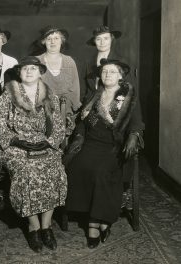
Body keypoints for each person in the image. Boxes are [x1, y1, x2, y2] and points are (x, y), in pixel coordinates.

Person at [65, 59, 144, 249]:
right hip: (91, 144)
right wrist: (78, 138)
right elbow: (82, 123)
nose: (107, 74)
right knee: (78, 166)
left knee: (101, 172)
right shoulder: (93, 96)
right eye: (104, 72)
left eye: (112, 72)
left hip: (114, 146)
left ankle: (99, 220)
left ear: (120, 76)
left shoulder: (129, 97)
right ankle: (94, 219)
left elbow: (136, 122)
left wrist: (134, 136)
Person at [0, 56, 67, 253]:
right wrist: (16, 141)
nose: (29, 72)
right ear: (19, 73)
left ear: (40, 72)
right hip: (14, 145)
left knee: (55, 169)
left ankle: (46, 226)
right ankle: (33, 225)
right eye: (25, 69)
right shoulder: (8, 94)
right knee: (25, 171)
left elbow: (58, 124)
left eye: (33, 69)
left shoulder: (50, 95)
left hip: (43, 143)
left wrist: (48, 142)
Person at [79, 25, 144, 208]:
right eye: (98, 39)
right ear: (94, 42)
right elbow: (86, 90)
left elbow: (130, 95)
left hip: (117, 109)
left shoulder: (121, 62)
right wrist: (86, 106)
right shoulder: (88, 62)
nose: (102, 42)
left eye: (105, 38)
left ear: (111, 40)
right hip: (94, 107)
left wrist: (134, 132)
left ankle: (114, 193)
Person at [36, 26, 81, 134]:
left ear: (62, 41)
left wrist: (67, 111)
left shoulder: (69, 61)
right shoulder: (36, 61)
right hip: (42, 111)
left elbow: (75, 89)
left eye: (56, 38)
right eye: (49, 39)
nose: (53, 42)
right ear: (43, 42)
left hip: (66, 110)